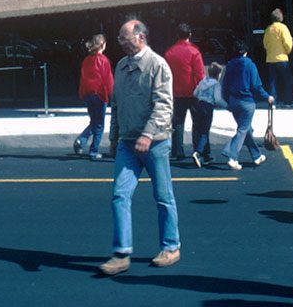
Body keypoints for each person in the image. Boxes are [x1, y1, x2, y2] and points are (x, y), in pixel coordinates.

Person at [99, 19, 180, 275]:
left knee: (163, 197)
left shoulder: (158, 66)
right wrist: (114, 138)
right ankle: (121, 253)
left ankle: (171, 246)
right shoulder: (121, 66)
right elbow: (117, 105)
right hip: (127, 143)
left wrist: (148, 134)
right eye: (119, 39)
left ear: (141, 37)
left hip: (155, 143)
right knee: (119, 195)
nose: (121, 43)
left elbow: (164, 106)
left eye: (125, 38)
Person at [221, 37, 275, 171]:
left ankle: (256, 156)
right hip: (247, 102)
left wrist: (227, 101)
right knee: (243, 130)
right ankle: (231, 155)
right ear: (246, 51)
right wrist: (267, 97)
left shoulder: (230, 65)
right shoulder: (250, 65)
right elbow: (256, 86)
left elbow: (225, 86)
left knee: (246, 129)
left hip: (234, 100)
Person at [164, 22, 205, 160]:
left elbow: (166, 74)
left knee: (178, 122)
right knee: (197, 122)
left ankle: (177, 151)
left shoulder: (169, 53)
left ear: (177, 35)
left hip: (176, 92)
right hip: (193, 92)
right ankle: (198, 150)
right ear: (190, 35)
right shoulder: (194, 51)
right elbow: (199, 74)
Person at [75, 33, 113, 160]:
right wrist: (113, 94)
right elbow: (108, 80)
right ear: (103, 45)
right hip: (99, 94)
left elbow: (83, 78)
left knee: (94, 121)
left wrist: (82, 93)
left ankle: (82, 140)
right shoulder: (103, 60)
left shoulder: (86, 60)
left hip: (88, 94)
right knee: (99, 124)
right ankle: (93, 151)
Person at [191, 62, 225, 167]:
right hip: (208, 107)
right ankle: (198, 152)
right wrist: (227, 106)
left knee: (199, 129)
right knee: (205, 132)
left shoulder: (203, 81)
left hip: (199, 105)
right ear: (218, 74)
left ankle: (206, 155)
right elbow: (218, 99)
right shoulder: (216, 84)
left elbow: (195, 93)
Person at [262, 8, 292, 104]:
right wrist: (287, 52)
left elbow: (265, 44)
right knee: (288, 80)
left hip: (271, 59)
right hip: (282, 58)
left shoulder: (268, 29)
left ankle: (273, 102)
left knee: (272, 82)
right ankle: (287, 101)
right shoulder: (283, 28)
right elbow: (287, 43)